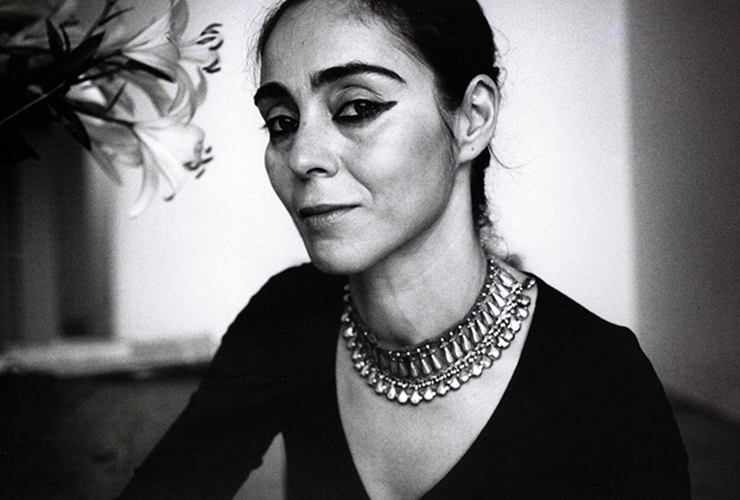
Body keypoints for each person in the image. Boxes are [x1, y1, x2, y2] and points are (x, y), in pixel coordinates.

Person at [118, 0, 691, 498]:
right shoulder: (287, 316)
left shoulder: (602, 387)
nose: (301, 156)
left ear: (473, 118)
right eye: (282, 121)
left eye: (357, 108)